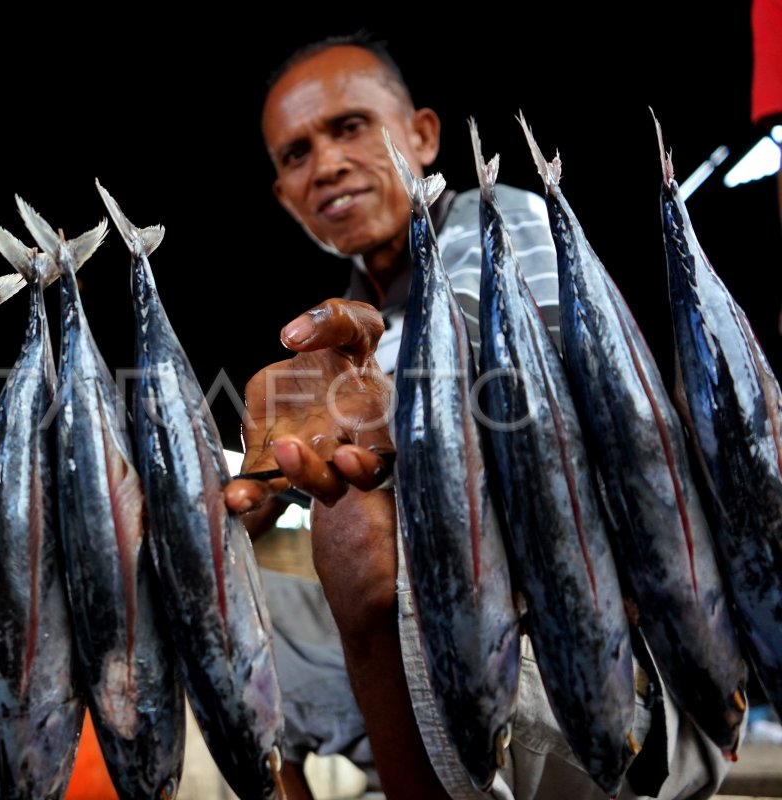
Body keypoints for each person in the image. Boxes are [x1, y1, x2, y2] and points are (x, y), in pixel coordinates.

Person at [224, 34, 735, 800]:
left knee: (356, 523)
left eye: (350, 126)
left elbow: (521, 407)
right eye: (295, 154)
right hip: (480, 676)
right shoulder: (358, 311)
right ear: (283, 195)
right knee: (211, 608)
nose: (324, 164)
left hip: (611, 685)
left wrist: (384, 404)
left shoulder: (504, 222)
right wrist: (255, 488)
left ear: (423, 136)